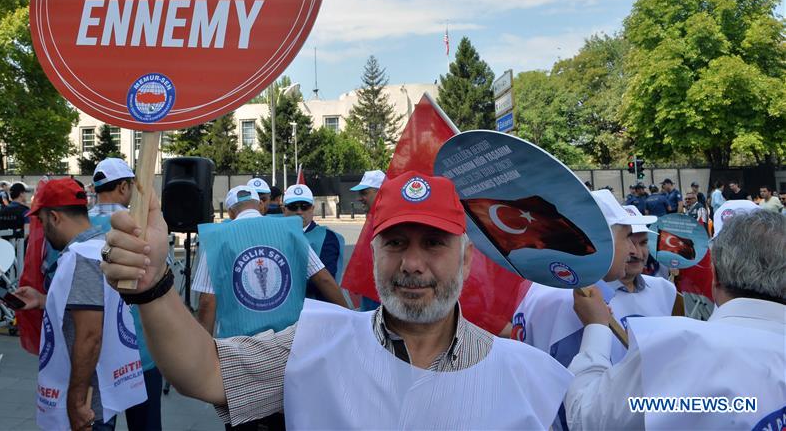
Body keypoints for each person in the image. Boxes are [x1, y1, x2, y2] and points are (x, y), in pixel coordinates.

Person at [100, 171, 572, 429]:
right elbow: (204, 373)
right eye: (395, 243)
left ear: (466, 260)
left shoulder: (531, 378)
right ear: (373, 254)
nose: (412, 263)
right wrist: (153, 285)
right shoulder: (314, 343)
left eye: (434, 244)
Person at [565, 210, 786, 429]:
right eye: (630, 241)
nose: (636, 252)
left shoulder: (680, 347)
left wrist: (596, 327)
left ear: (715, 276)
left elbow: (584, 417)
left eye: (643, 243)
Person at [508, 191, 657, 429]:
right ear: (601, 241)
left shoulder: (551, 287)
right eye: (627, 237)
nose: (633, 250)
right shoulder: (576, 302)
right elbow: (575, 409)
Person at [13, 178, 146, 431]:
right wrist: (42, 300)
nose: (42, 230)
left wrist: (76, 402)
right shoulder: (101, 246)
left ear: (54, 217)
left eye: (41, 221)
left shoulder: (82, 257)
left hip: (88, 403)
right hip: (102, 391)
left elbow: (89, 335)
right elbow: (90, 308)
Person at [192, 185, 347, 335]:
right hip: (289, 337)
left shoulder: (216, 238)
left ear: (231, 213)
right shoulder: (290, 229)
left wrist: (203, 347)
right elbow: (324, 279)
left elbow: (207, 301)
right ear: (260, 205)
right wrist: (349, 317)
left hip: (240, 341)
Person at [88, 157, 162, 431]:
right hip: (138, 349)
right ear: (122, 187)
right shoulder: (138, 226)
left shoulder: (77, 225)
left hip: (93, 350)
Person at [282, 183, 346, 298]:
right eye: (293, 206)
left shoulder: (328, 237)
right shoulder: (275, 234)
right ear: (284, 209)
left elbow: (325, 280)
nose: (299, 211)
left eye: (304, 206)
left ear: (312, 208)